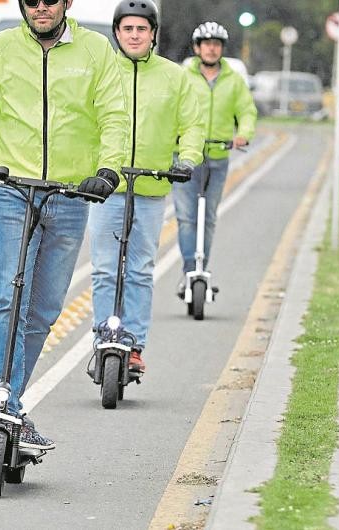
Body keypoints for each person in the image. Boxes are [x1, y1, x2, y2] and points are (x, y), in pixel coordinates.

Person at [0, 0, 128, 450]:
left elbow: (115, 115)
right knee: (8, 299)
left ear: (67, 3)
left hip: (71, 194)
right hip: (13, 190)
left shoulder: (96, 51)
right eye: (32, 0)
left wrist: (108, 170)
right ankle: (5, 404)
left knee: (45, 309)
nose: (41, 7)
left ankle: (9, 401)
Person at [87, 0, 204, 374]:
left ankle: (134, 345)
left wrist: (187, 159)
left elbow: (192, 125)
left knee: (139, 270)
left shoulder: (174, 77)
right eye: (128, 29)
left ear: (154, 34)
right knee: (105, 269)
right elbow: (80, 120)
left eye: (142, 29)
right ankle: (104, 336)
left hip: (151, 189)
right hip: (106, 188)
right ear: (116, 33)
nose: (134, 35)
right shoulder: (101, 72)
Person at [174, 21, 257, 291]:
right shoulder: (183, 76)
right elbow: (169, 107)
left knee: (208, 218)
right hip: (186, 158)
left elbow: (247, 111)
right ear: (197, 48)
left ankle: (202, 269)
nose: (211, 49)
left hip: (218, 157)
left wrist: (243, 133)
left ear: (222, 49)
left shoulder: (234, 81)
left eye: (216, 44)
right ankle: (190, 271)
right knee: (187, 217)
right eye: (206, 44)